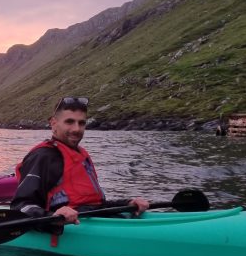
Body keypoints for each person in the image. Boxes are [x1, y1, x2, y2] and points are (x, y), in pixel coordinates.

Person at [11, 96, 149, 230]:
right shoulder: (42, 157)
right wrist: (53, 217)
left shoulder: (80, 155)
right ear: (53, 123)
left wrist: (127, 203)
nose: (76, 129)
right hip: (64, 229)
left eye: (81, 123)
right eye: (69, 122)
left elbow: (94, 204)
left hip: (90, 220)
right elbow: (21, 207)